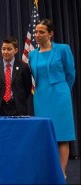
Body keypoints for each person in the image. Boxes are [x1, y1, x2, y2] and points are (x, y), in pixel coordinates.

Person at [28, 19, 76, 179]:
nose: (37, 35)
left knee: (62, 134)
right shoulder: (32, 54)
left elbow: (71, 73)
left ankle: (61, 171)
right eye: (36, 32)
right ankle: (49, 168)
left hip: (60, 96)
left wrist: (63, 90)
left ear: (50, 34)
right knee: (47, 133)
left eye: (41, 32)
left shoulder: (63, 49)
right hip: (41, 96)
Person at [0, 37, 32, 116]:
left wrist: (18, 97)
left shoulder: (24, 67)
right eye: (3, 49)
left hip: (17, 107)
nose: (5, 52)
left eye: (9, 49)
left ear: (15, 50)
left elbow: (27, 88)